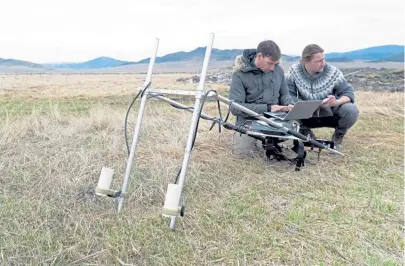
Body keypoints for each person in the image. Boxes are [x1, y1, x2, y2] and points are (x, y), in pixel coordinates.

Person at [286, 44, 359, 149]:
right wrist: (305, 105)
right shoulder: (294, 71)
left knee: (351, 110)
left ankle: (338, 136)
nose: (323, 63)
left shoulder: (333, 72)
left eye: (323, 59)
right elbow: (287, 94)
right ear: (306, 61)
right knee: (285, 108)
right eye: (318, 61)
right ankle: (305, 133)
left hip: (330, 113)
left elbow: (348, 93)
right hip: (306, 115)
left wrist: (336, 102)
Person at [229, 40, 295, 157]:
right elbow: (235, 108)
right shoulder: (239, 74)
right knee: (245, 155)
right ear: (259, 57)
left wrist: (289, 104)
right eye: (270, 63)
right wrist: (269, 108)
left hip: (275, 121)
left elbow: (285, 94)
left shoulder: (278, 70)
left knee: (287, 150)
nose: (272, 68)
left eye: (275, 64)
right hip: (248, 123)